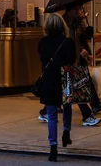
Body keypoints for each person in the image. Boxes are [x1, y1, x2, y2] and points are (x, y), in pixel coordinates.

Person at [38, 13, 77, 162]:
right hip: (65, 78)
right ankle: (66, 132)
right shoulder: (68, 42)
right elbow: (72, 60)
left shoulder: (43, 42)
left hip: (49, 80)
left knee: (52, 114)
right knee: (67, 106)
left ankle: (53, 147)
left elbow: (42, 58)